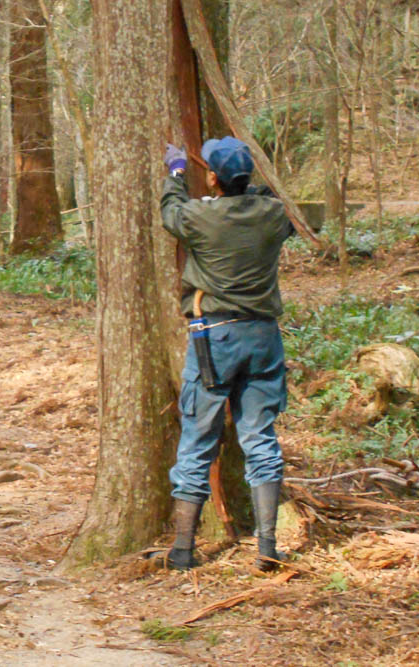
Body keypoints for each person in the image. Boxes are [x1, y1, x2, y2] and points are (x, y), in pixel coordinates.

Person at [159, 136, 294, 572]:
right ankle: (267, 546)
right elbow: (285, 209)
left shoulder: (200, 216)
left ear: (212, 179)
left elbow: (170, 213)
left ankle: (182, 549)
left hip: (215, 339)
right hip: (263, 338)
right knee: (260, 436)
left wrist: (176, 173)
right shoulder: (273, 214)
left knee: (199, 437)